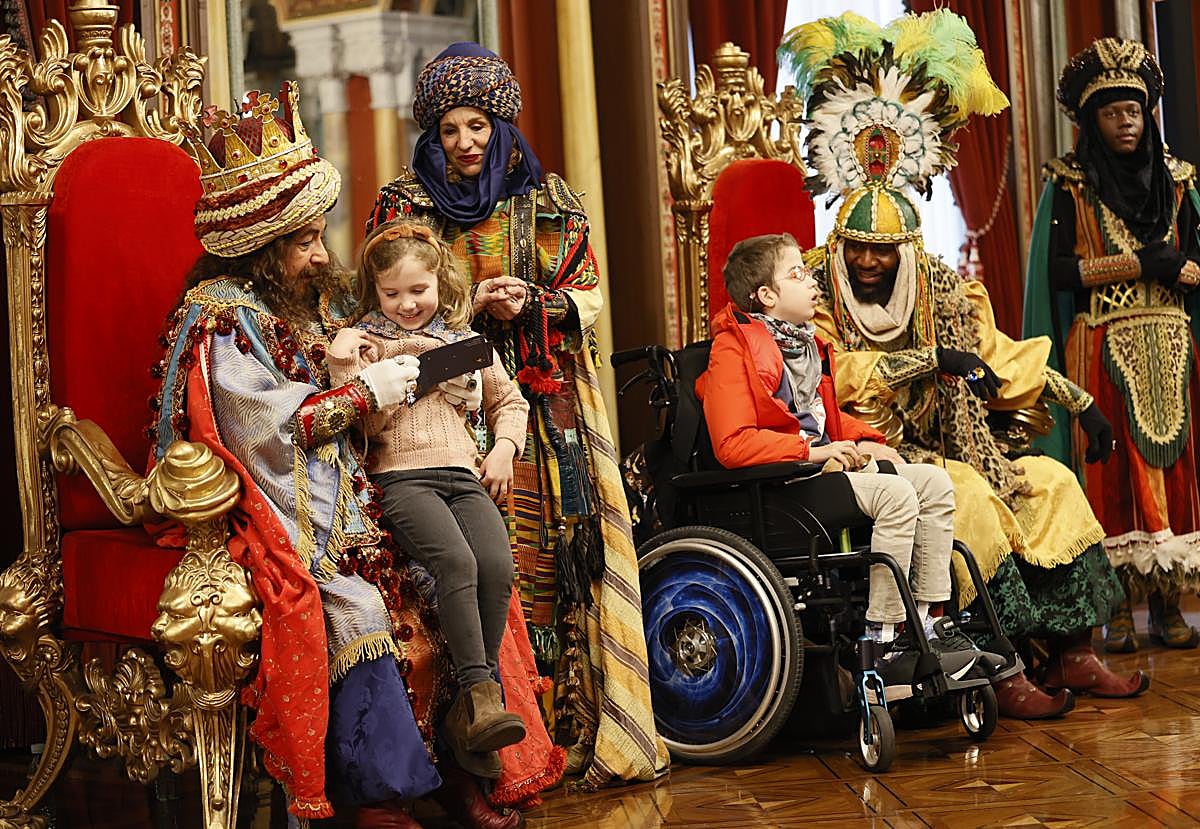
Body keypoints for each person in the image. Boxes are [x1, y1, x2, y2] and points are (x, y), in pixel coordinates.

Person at [153, 84, 526, 829]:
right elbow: (267, 429)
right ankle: (381, 790)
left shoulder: (305, 299)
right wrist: (361, 394)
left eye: (319, 235)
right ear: (264, 247)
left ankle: (460, 765)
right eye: (304, 241)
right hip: (277, 508)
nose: (322, 253)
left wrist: (458, 319)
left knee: (467, 570)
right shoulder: (225, 320)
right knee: (361, 602)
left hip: (361, 495)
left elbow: (398, 324)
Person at [779, 10, 1148, 721]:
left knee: (1049, 481)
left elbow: (997, 357)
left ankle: (1073, 651)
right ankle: (997, 668)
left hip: (961, 444)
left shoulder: (946, 289)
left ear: (907, 252)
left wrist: (1078, 401)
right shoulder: (815, 289)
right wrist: (926, 361)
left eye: (881, 252)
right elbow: (832, 375)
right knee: (971, 501)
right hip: (872, 456)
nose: (867, 260)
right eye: (857, 246)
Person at [367, 43, 667, 785]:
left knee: (551, 559)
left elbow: (589, 293)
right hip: (430, 404)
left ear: (501, 124)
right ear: (431, 137)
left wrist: (535, 301)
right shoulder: (404, 207)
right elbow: (373, 301)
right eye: (448, 130)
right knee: (457, 565)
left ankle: (555, 727)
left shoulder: (549, 199)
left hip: (537, 400)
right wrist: (463, 311)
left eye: (477, 126)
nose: (465, 143)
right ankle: (465, 735)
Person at [696, 232, 1001, 695]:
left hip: (818, 471)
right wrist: (815, 452)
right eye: (797, 273)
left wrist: (872, 442)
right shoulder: (732, 350)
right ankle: (884, 639)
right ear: (767, 296)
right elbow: (732, 445)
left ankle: (929, 621)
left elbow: (828, 421)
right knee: (896, 495)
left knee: (935, 482)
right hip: (784, 486)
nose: (813, 280)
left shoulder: (806, 344)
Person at [327, 218, 530, 780]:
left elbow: (509, 402)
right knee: (455, 562)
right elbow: (359, 416)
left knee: (496, 563)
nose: (406, 304)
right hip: (402, 477)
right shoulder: (369, 342)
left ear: (441, 282)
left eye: (418, 291)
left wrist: (505, 449)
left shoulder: (463, 342)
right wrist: (352, 366)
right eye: (392, 294)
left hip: (464, 474)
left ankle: (472, 713)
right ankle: (480, 693)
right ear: (375, 291)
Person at [1024, 38, 1200, 652]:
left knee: (1175, 471)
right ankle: (1118, 607)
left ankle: (1170, 602)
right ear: (1090, 122)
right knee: (1113, 473)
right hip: (1100, 343)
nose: (1125, 123)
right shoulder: (1069, 185)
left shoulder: (1179, 183)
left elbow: (1197, 265)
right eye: (1110, 113)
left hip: (1173, 346)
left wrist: (1177, 267)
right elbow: (1058, 274)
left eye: (1133, 110)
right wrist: (1132, 265)